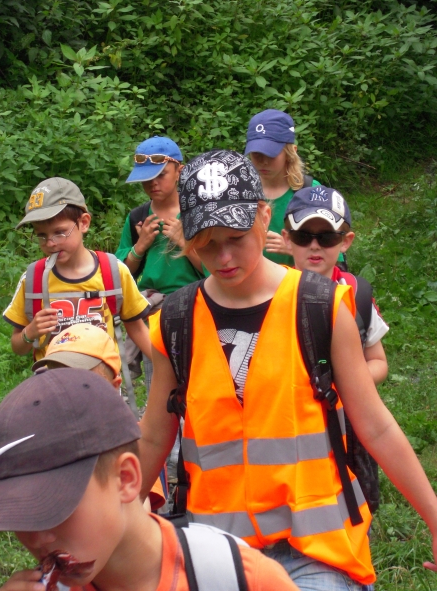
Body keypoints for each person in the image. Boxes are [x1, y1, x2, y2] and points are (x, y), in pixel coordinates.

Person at [138, 149, 437, 590]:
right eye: (207, 242)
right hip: (218, 553)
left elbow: (375, 426)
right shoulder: (175, 321)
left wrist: (433, 517)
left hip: (318, 551)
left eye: (236, 237)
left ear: (264, 217)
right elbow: (153, 437)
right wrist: (114, 520)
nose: (223, 256)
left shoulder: (320, 307)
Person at [0, 368, 300, 591]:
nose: (38, 537)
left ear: (125, 479)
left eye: (54, 508)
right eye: (18, 517)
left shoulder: (240, 579)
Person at [3, 177, 152, 363]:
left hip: (102, 377)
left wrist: (166, 368)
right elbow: (17, 346)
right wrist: (30, 332)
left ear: (84, 223)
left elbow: (137, 329)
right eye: (42, 235)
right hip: (53, 378)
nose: (50, 243)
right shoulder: (33, 279)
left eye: (59, 232)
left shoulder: (113, 271)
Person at [32, 322, 166, 512]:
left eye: (84, 381)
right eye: (57, 378)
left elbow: (138, 511)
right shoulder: (38, 442)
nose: (67, 390)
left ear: (114, 386)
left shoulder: (130, 443)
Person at [116, 136, 204, 391]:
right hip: (151, 311)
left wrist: (185, 243)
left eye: (161, 175)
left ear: (179, 171)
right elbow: (120, 274)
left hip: (193, 306)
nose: (152, 184)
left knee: (194, 379)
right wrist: (140, 246)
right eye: (146, 179)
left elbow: (215, 270)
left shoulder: (197, 212)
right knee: (159, 382)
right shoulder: (138, 217)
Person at [282, 185, 389, 385]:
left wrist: (344, 382)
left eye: (327, 237)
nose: (314, 245)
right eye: (303, 236)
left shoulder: (356, 292)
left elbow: (377, 360)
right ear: (287, 239)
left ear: (345, 241)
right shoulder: (272, 291)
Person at [244, 109, 320, 266]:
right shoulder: (240, 190)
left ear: (290, 152)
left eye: (271, 154)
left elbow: (333, 256)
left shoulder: (310, 192)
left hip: (298, 279)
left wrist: (295, 249)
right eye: (256, 154)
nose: (263, 161)